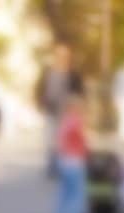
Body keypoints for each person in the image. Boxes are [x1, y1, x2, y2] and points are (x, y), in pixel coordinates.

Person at [36, 43, 86, 177]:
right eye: (59, 55)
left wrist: (78, 108)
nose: (62, 57)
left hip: (67, 113)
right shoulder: (48, 71)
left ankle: (63, 167)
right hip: (50, 110)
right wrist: (40, 102)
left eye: (65, 55)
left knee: (64, 140)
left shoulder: (73, 73)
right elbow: (40, 87)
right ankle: (52, 166)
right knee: (50, 139)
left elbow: (80, 92)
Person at [52, 94, 90, 213]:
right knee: (76, 193)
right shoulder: (77, 122)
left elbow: (59, 143)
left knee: (64, 192)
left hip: (63, 160)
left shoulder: (63, 122)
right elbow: (83, 140)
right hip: (75, 160)